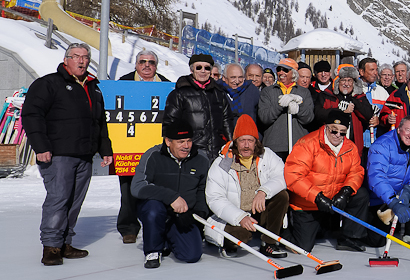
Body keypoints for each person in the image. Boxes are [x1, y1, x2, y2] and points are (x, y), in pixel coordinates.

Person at [22, 43, 113, 266]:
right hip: (58, 154)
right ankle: (51, 247)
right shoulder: (48, 84)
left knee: (74, 200)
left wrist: (105, 150)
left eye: (86, 57)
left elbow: (99, 122)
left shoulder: (93, 87)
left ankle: (65, 243)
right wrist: (41, 146)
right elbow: (32, 115)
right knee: (59, 199)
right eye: (77, 57)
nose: (82, 61)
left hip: (84, 154)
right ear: (66, 60)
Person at [204, 115, 289, 257]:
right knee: (240, 236)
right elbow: (214, 198)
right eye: (242, 140)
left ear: (256, 142)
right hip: (235, 215)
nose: (246, 145)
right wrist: (240, 217)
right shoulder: (223, 163)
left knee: (281, 196)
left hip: (260, 210)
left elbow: (282, 176)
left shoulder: (267, 155)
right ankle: (227, 244)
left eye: (250, 140)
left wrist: (263, 192)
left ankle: (269, 243)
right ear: (235, 142)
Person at [286, 110, 371, 252]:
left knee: (361, 194)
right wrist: (317, 197)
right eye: (334, 131)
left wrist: (345, 191)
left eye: (342, 132)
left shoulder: (350, 147)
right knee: (302, 247)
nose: (338, 135)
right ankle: (282, 233)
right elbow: (294, 176)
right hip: (309, 202)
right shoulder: (307, 144)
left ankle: (349, 237)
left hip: (334, 199)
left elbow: (356, 172)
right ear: (326, 127)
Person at [131, 119, 209, 268]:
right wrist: (171, 197)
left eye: (189, 141)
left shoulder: (201, 159)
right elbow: (138, 187)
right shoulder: (153, 155)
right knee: (153, 209)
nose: (186, 146)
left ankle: (168, 238)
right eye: (180, 142)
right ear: (168, 141)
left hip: (184, 214)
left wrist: (198, 215)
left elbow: (203, 190)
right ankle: (153, 251)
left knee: (191, 255)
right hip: (157, 210)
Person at [115, 50, 170, 244]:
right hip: (129, 146)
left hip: (157, 148)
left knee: (158, 187)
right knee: (128, 189)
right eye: (142, 61)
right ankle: (128, 227)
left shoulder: (167, 85)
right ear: (136, 64)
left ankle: (156, 223)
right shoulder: (122, 83)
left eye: (151, 62)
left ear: (156, 66)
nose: (147, 65)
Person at [360, 115, 410, 247]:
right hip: (381, 199)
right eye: (408, 130)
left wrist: (409, 189)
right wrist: (393, 201)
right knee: (377, 242)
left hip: (402, 192)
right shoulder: (382, 145)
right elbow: (376, 177)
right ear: (399, 129)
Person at [163, 53, 235, 159]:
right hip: (192, 151)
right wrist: (170, 150)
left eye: (207, 68)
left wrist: (231, 144)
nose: (203, 71)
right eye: (199, 67)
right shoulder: (180, 94)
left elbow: (227, 120)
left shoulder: (219, 93)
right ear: (192, 70)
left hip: (217, 150)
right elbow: (170, 123)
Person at [257, 57, 315, 160]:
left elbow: (309, 118)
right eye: (279, 69)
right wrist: (279, 105)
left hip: (298, 146)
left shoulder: (304, 92)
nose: (281, 72)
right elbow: (264, 118)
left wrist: (299, 109)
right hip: (274, 146)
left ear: (294, 73)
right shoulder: (267, 92)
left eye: (285, 70)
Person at [357, 57, 388, 155]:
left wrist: (379, 120)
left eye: (376, 70)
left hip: (376, 142)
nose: (375, 73)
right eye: (371, 70)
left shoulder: (381, 92)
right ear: (361, 72)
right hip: (357, 141)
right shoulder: (355, 90)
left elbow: (387, 113)